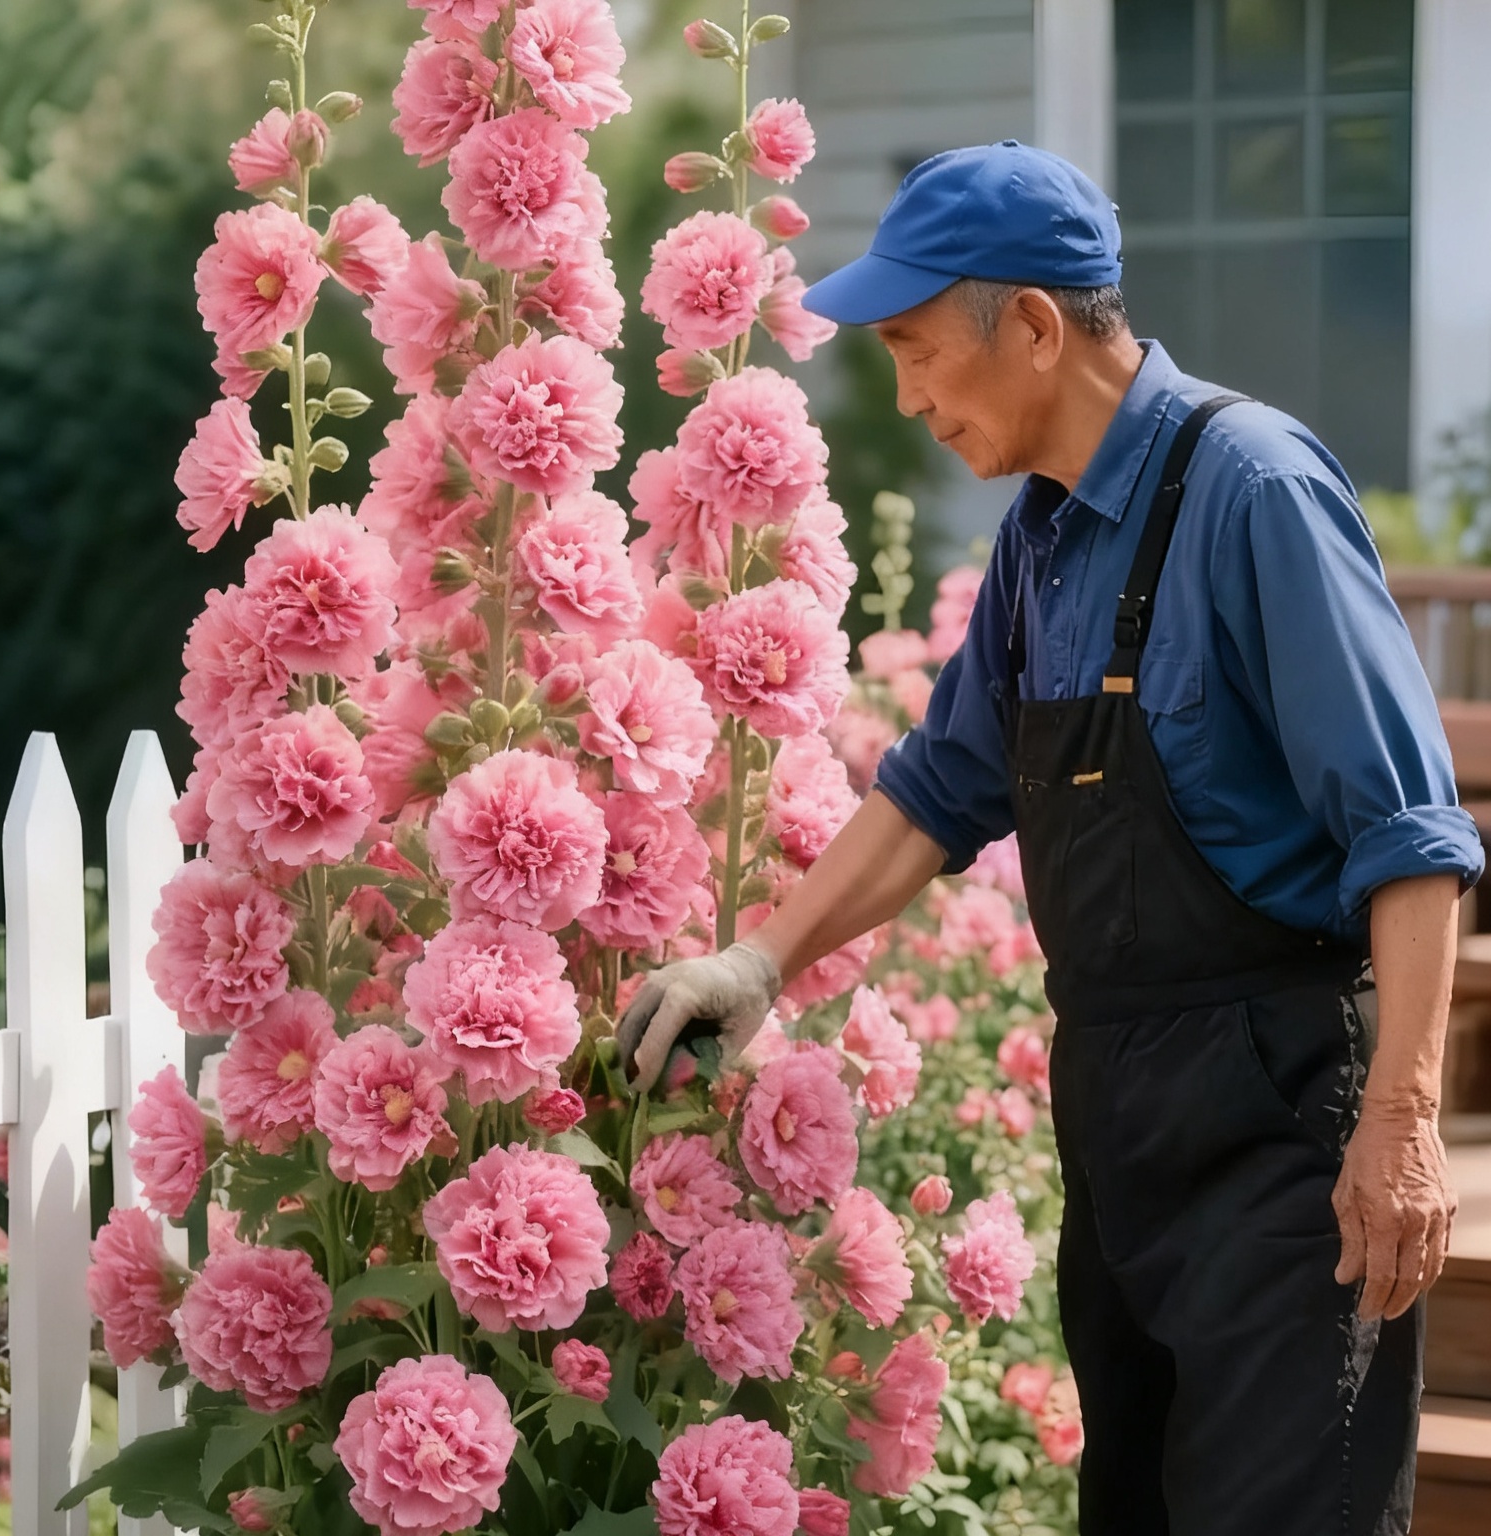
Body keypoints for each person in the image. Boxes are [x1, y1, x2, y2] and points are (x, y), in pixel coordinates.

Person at [615, 140, 1485, 1535]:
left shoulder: (1255, 492)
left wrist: (1399, 1126)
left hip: (1281, 1143)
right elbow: (936, 791)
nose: (905, 395)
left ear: (1029, 324)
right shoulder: (1039, 545)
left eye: (914, 349)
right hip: (1121, 1142)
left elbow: (1413, 837)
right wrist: (759, 962)